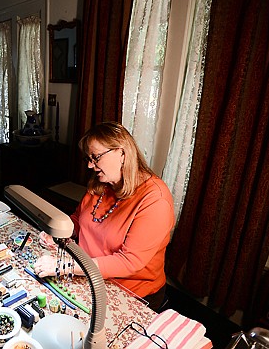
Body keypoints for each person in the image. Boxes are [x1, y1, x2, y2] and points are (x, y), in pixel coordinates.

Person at [33, 121, 174, 311]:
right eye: (89, 158)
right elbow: (78, 219)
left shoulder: (155, 200)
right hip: (88, 273)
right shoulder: (102, 183)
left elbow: (128, 262)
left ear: (122, 154)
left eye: (96, 157)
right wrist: (59, 233)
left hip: (131, 293)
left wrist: (64, 265)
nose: (91, 165)